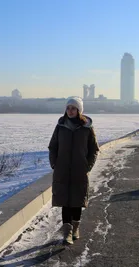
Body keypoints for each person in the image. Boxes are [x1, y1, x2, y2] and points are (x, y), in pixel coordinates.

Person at [48, 97, 100, 245]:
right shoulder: (60, 127)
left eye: (73, 108)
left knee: (77, 201)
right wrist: (54, 164)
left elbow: (93, 150)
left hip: (79, 171)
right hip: (62, 170)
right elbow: (53, 147)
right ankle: (67, 233)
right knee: (65, 202)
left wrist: (87, 167)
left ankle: (75, 229)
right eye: (68, 107)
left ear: (79, 110)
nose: (70, 110)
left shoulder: (87, 128)